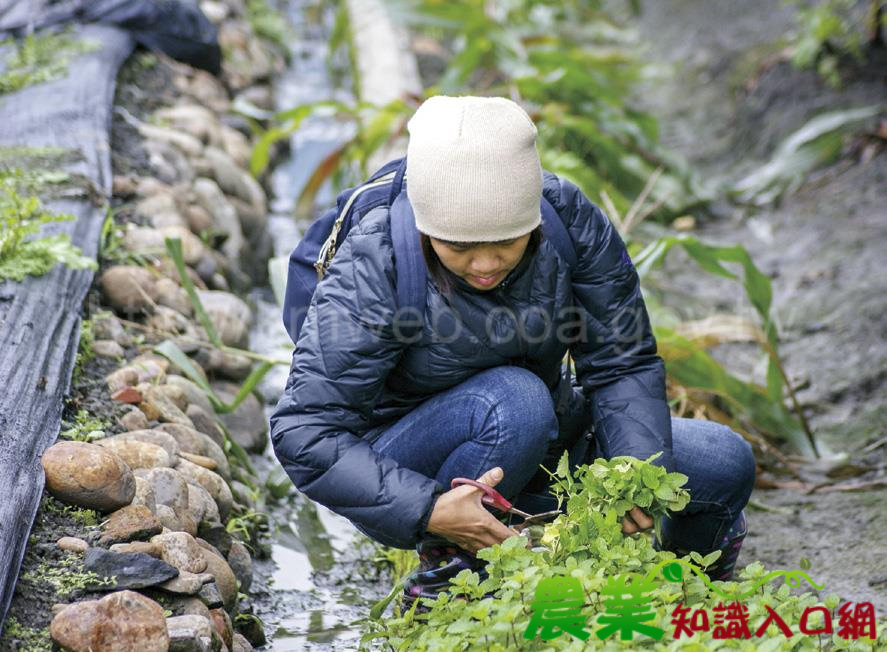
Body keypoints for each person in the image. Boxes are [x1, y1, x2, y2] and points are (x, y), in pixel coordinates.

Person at [270, 95, 755, 607]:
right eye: (458, 246)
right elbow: (306, 431)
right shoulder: (377, 260)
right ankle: (448, 583)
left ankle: (679, 596)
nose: (485, 263)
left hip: (544, 431)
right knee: (514, 401)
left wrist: (632, 470)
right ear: (426, 227)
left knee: (724, 463)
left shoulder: (569, 223)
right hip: (409, 460)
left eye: (507, 241)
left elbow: (622, 362)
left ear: (534, 221)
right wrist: (430, 508)